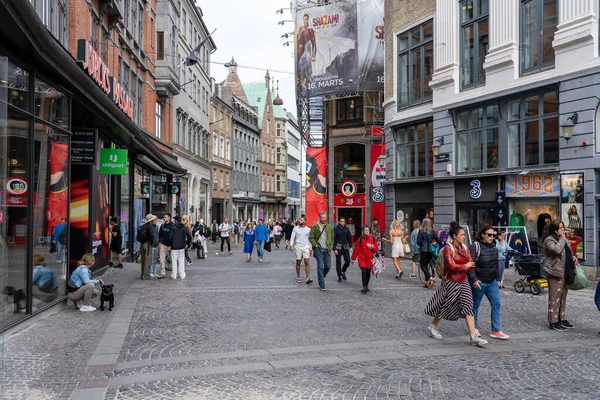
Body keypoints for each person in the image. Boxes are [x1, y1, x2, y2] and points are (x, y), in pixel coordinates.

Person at [424, 222, 488, 347]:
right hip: (451, 281)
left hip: (463, 281)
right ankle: (433, 326)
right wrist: (465, 266)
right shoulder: (449, 248)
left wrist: (474, 280)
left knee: (469, 305)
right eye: (462, 235)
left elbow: (470, 263)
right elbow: (452, 265)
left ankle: (473, 336)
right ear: (454, 236)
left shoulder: (465, 247)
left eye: (464, 235)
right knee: (445, 305)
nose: (464, 237)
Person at [468, 224, 510, 340]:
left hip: (491, 282)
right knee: (475, 305)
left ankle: (495, 330)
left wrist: (498, 279)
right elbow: (470, 266)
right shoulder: (475, 246)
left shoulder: (493, 248)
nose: (492, 237)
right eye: (489, 235)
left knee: (496, 303)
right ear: (482, 234)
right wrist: (474, 280)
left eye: (493, 235)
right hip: (479, 282)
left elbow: (495, 265)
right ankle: (474, 328)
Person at [543, 220, 576, 332]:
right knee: (554, 297)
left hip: (565, 271)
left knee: (563, 297)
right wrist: (562, 238)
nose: (562, 230)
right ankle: (553, 321)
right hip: (555, 272)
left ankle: (562, 319)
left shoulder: (564, 239)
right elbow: (557, 250)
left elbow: (568, 252)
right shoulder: (549, 240)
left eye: (563, 227)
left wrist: (573, 258)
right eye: (560, 228)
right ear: (554, 229)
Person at [309, 211, 334, 291]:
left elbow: (332, 237)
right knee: (320, 266)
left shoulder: (329, 227)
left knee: (328, 266)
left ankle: (321, 276)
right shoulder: (315, 226)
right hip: (318, 248)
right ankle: (322, 285)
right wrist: (315, 245)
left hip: (327, 249)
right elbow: (311, 237)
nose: (324, 219)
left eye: (325, 218)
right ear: (320, 217)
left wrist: (331, 245)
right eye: (322, 218)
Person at [351, 226, 378, 294]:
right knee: (364, 271)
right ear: (363, 231)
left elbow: (376, 249)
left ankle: (366, 285)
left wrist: (371, 246)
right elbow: (356, 250)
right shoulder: (360, 240)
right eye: (365, 230)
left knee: (368, 272)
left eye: (367, 230)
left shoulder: (372, 239)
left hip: (369, 259)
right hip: (362, 259)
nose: (366, 231)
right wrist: (353, 259)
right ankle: (364, 286)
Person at [417, 218, 440, 288]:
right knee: (426, 266)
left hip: (424, 251)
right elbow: (438, 240)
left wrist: (422, 245)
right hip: (430, 251)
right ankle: (426, 283)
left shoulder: (421, 231)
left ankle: (430, 278)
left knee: (423, 266)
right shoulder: (432, 231)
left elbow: (418, 242)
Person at [290, 217, 313, 284]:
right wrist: (291, 245)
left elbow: (310, 239)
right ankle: (299, 277)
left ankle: (308, 278)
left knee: (307, 262)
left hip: (306, 247)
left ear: (305, 222)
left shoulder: (308, 229)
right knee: (298, 262)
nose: (299, 221)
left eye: (301, 220)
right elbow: (292, 237)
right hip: (298, 247)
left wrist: (310, 248)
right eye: (299, 220)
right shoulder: (295, 228)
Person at [170, 215, 192, 280]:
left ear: (176, 220)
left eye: (174, 220)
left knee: (174, 261)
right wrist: (187, 243)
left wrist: (170, 244)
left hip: (174, 247)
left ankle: (174, 274)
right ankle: (182, 275)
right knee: (181, 261)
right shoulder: (184, 227)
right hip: (181, 247)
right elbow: (189, 236)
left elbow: (170, 237)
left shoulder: (173, 227)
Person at [333, 217, 352, 282]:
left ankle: (343, 271)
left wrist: (351, 247)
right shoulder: (335, 229)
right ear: (339, 222)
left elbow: (349, 238)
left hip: (345, 247)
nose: (343, 223)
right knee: (338, 262)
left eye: (344, 221)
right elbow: (333, 239)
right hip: (338, 247)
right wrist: (334, 249)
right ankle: (339, 276)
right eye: (341, 221)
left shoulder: (346, 229)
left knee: (348, 261)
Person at [139, 214, 158, 280]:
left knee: (143, 260)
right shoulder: (150, 226)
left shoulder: (142, 226)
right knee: (148, 260)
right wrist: (151, 243)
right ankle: (145, 276)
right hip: (148, 245)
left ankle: (142, 274)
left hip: (142, 244)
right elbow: (152, 236)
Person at [158, 213, 174, 279]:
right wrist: (159, 243)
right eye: (163, 217)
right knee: (162, 260)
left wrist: (171, 245)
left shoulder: (172, 226)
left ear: (169, 218)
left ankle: (174, 273)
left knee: (173, 260)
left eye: (165, 217)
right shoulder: (162, 226)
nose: (164, 218)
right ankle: (162, 274)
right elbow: (160, 235)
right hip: (163, 245)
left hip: (170, 246)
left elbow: (173, 236)